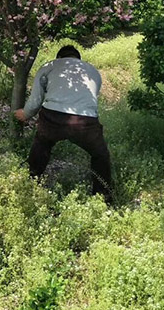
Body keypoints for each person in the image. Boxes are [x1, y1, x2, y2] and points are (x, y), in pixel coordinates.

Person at [14, 45, 112, 201]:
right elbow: (91, 96)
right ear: (78, 58)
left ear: (59, 57)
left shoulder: (49, 66)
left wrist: (25, 114)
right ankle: (103, 197)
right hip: (85, 121)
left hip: (53, 117)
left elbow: (36, 99)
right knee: (100, 156)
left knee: (42, 145)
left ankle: (31, 184)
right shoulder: (93, 71)